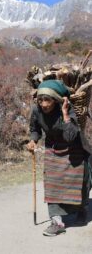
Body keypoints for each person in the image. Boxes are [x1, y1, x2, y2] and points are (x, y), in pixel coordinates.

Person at [26, 79, 91, 237]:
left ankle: (81, 209)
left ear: (55, 99)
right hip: (53, 150)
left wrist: (64, 114)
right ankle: (57, 222)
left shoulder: (69, 109)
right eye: (40, 100)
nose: (43, 104)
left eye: (47, 100)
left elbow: (70, 136)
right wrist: (33, 140)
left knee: (78, 183)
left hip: (74, 150)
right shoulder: (36, 111)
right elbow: (35, 129)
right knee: (52, 183)